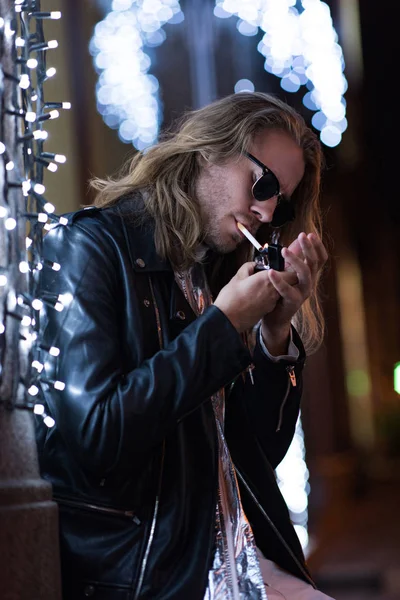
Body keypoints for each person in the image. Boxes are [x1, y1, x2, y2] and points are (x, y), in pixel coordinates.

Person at [35, 91, 332, 600]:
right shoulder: (88, 246)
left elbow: (257, 454)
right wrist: (221, 325)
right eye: (261, 183)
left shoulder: (210, 276)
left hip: (236, 559)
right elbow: (95, 436)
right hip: (149, 569)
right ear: (209, 150)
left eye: (279, 200)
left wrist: (275, 333)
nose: (264, 209)